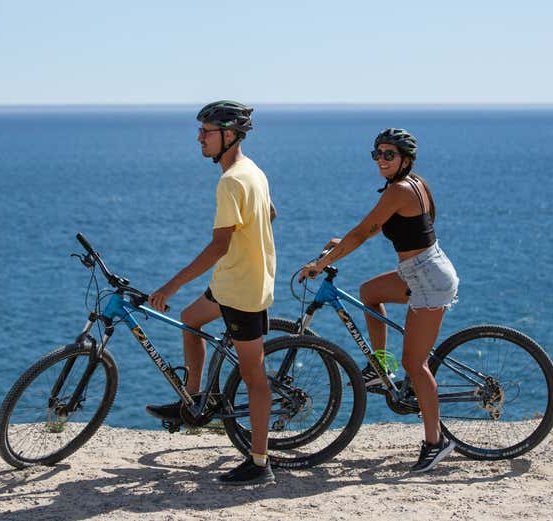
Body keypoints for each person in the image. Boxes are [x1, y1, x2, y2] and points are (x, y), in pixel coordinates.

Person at [300, 128, 459, 473]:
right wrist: (339, 243)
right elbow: (405, 228)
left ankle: (437, 442)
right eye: (377, 154)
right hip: (422, 268)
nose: (382, 160)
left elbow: (364, 231)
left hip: (428, 278)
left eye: (389, 154)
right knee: (370, 293)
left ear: (406, 159)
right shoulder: (413, 184)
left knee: (415, 365)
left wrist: (322, 264)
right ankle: (379, 366)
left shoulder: (401, 189)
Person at [147, 100, 277, 486]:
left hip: (242, 291)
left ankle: (259, 462)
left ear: (230, 135)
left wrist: (171, 284)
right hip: (231, 281)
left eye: (206, 131)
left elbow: (219, 245)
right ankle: (195, 399)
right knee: (189, 320)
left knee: (255, 379)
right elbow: (270, 213)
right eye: (200, 130)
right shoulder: (252, 171)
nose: (199, 138)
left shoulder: (231, 181)